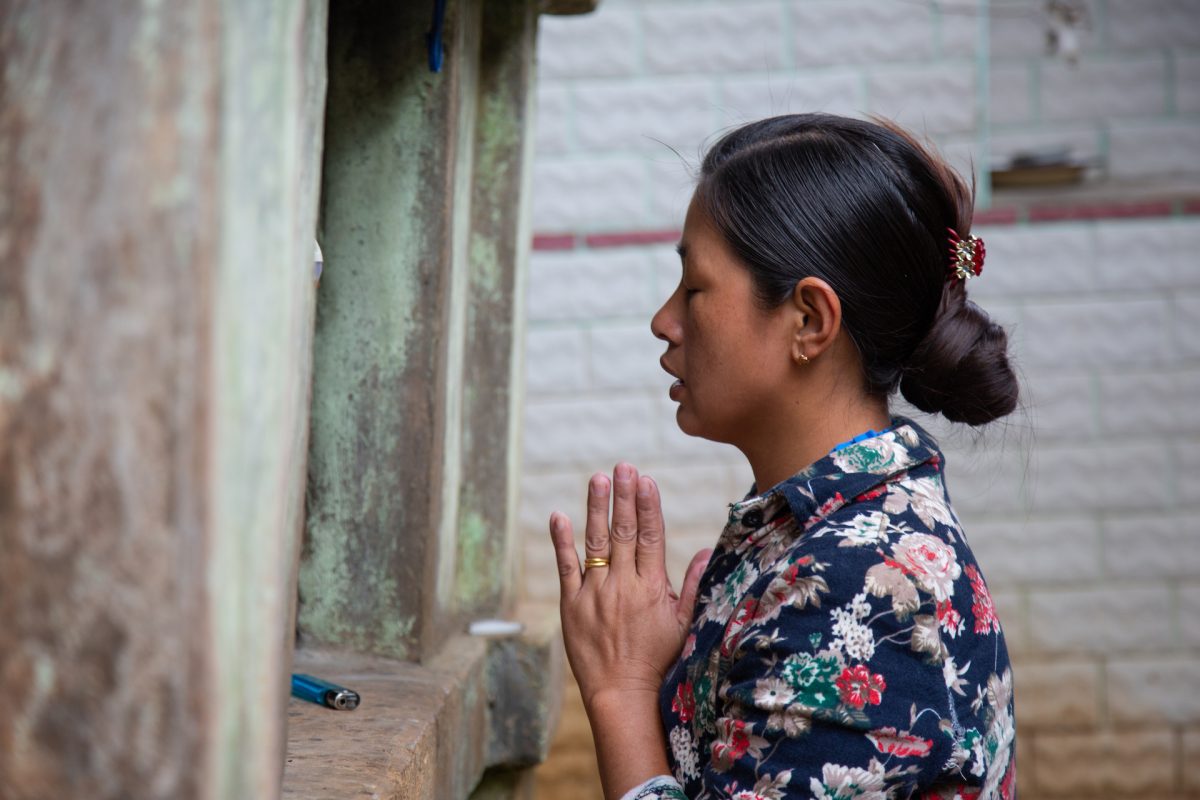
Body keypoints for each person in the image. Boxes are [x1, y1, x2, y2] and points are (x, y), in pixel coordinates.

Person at [548, 114, 1018, 800]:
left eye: (696, 289)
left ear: (808, 321)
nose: (664, 321)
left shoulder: (856, 587)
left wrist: (619, 691)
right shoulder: (815, 534)